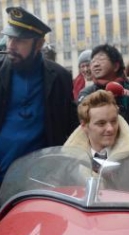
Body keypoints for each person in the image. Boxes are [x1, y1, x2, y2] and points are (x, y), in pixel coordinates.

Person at [0, 6, 78, 186]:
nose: (11, 45)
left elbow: (69, 124)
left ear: (39, 44)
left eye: (20, 41)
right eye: (10, 37)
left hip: (39, 179)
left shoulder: (60, 77)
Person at [78, 44, 129, 145]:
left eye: (101, 60)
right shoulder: (87, 94)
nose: (95, 64)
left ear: (116, 66)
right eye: (92, 61)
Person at [64, 90, 129, 169]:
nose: (110, 129)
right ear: (84, 126)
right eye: (101, 123)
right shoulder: (70, 158)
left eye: (114, 121)